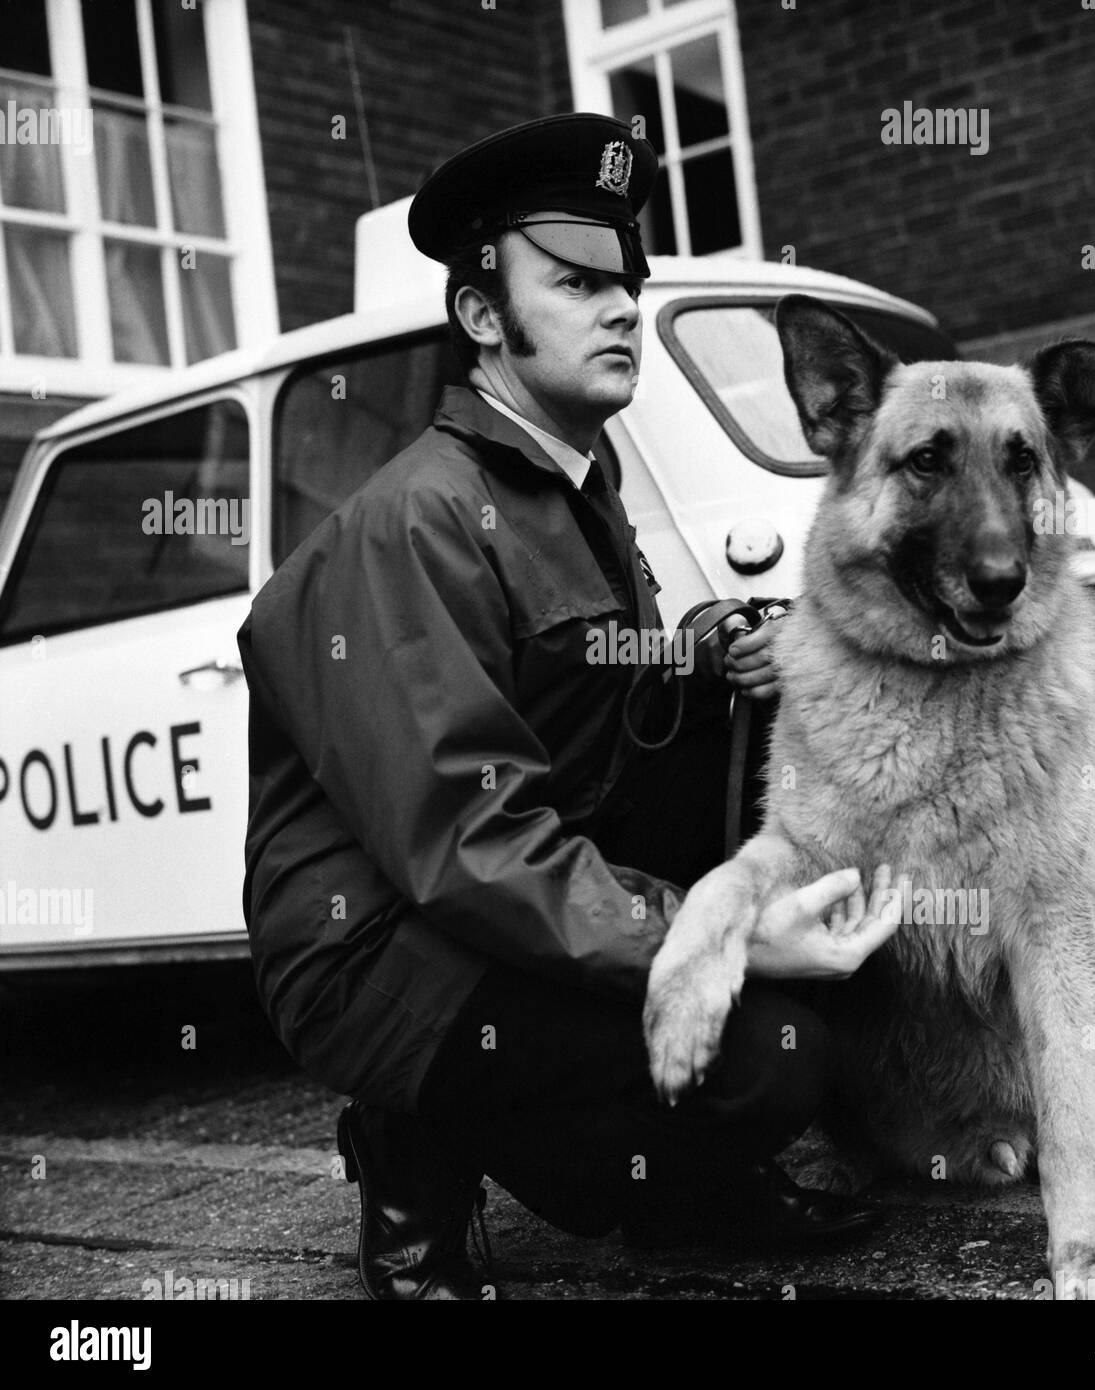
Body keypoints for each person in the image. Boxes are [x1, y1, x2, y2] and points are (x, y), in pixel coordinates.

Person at [238, 114, 903, 1301]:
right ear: (483, 318)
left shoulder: (570, 482)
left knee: (772, 781)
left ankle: (681, 1199)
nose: (620, 311)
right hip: (382, 943)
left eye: (627, 285)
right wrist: (722, 938)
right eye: (577, 283)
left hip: (497, 886)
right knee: (772, 1057)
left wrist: (707, 651)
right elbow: (467, 835)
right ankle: (411, 1140)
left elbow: (593, 685)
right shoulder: (415, 522)